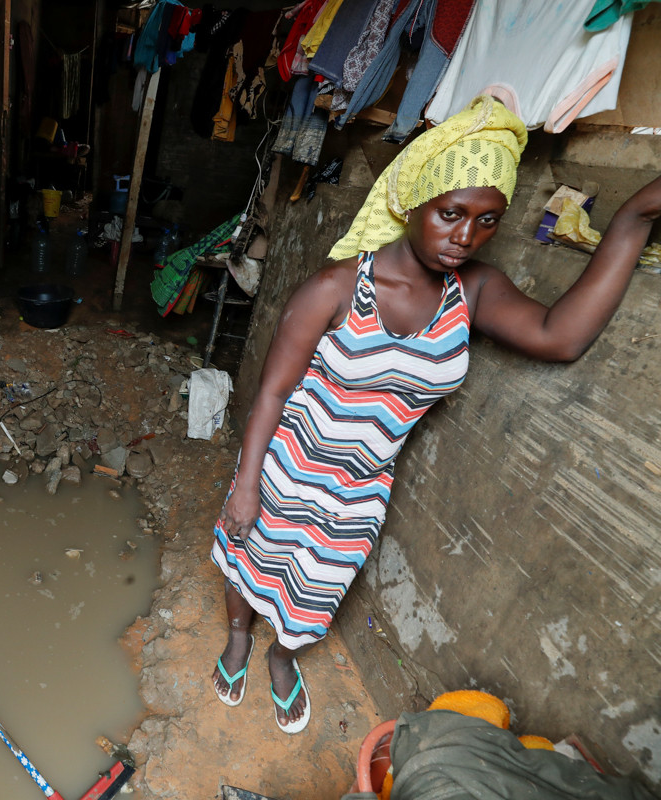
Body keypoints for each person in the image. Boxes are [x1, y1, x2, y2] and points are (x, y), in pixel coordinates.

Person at [209, 95, 661, 733]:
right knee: (253, 559)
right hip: (287, 467)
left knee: (316, 588)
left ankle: (283, 657)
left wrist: (636, 213)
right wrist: (249, 482)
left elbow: (561, 337)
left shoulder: (470, 292)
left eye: (486, 222)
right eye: (451, 214)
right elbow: (273, 394)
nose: (465, 237)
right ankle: (237, 638)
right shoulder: (335, 288)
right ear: (413, 201)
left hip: (359, 489)